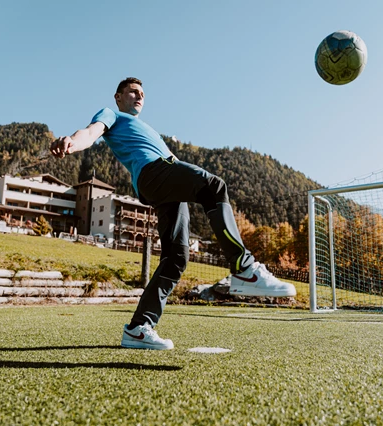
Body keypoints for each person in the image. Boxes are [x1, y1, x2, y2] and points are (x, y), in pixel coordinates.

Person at [50, 77, 296, 350]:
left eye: (142, 93)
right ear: (118, 97)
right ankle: (244, 268)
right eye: (133, 92)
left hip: (166, 183)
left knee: (176, 257)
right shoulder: (112, 115)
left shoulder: (147, 128)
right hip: (154, 174)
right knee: (214, 186)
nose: (139, 96)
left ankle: (138, 328)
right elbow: (90, 132)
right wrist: (71, 141)